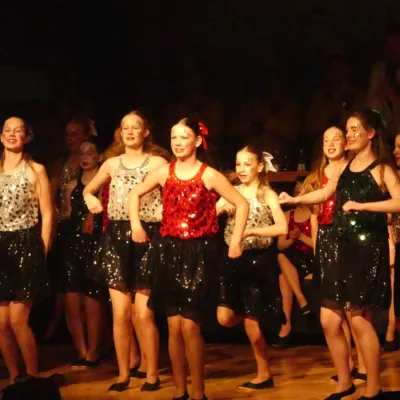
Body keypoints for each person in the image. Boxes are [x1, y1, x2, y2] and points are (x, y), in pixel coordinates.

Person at [279, 110, 400, 399]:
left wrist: (363, 206)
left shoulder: (382, 167)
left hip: (366, 249)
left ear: (371, 133)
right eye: (348, 129)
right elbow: (325, 193)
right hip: (339, 248)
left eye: (355, 129)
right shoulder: (344, 167)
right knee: (329, 320)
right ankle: (345, 382)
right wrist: (295, 199)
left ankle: (373, 389)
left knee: (358, 320)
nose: (350, 134)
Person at [128, 117, 249, 400]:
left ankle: (198, 392)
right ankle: (179, 390)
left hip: (199, 254)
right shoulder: (164, 172)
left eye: (184, 137)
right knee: (173, 326)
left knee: (190, 326)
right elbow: (134, 193)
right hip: (169, 252)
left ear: (197, 140)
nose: (178, 142)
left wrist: (236, 239)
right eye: (174, 137)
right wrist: (136, 225)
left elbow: (241, 203)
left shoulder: (209, 175)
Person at [83, 110, 167, 392]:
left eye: (136, 127)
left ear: (146, 132)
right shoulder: (111, 163)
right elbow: (88, 190)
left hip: (147, 235)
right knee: (120, 312)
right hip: (117, 236)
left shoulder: (157, 163)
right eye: (125, 128)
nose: (130, 132)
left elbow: (171, 194)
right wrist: (90, 200)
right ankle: (122, 374)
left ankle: (152, 373)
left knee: (143, 313)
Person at [216, 146, 287, 389]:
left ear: (259, 166)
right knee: (224, 317)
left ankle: (264, 373)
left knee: (252, 324)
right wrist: (221, 208)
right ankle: (254, 313)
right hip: (234, 260)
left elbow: (282, 227)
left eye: (248, 164)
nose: (242, 169)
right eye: (238, 164)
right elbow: (210, 214)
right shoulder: (232, 192)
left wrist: (251, 231)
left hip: (258, 260)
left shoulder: (266, 193)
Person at [307, 126, 367, 383]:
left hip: (348, 240)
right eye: (326, 141)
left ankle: (364, 365)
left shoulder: (353, 171)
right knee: (334, 311)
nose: (330, 144)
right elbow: (314, 217)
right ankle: (347, 365)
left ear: (345, 144)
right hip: (326, 242)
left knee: (353, 310)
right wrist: (317, 249)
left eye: (336, 139)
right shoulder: (316, 177)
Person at [0, 117, 53, 383]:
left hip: (26, 243)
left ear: (26, 137)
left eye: (18, 130)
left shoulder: (36, 170)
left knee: (18, 319)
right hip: (1, 247)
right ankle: (14, 378)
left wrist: (43, 249)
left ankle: (33, 377)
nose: (12, 134)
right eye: (7, 130)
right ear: (1, 137)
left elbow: (47, 213)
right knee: (1, 323)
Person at [60, 137, 106, 367]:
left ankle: (93, 352)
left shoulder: (104, 183)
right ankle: (81, 350)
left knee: (92, 300)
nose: (85, 157)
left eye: (90, 152)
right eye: (82, 153)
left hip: (95, 244)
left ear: (99, 156)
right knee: (71, 300)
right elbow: (67, 213)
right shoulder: (71, 185)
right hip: (72, 245)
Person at [275, 181, 316, 346]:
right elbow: (280, 245)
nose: (300, 196)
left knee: (283, 278)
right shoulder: (287, 215)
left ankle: (286, 328)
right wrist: (292, 239)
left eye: (303, 192)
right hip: (294, 257)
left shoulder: (314, 214)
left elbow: (317, 245)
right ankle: (302, 302)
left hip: (311, 257)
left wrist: (301, 236)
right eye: (297, 192)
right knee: (281, 257)